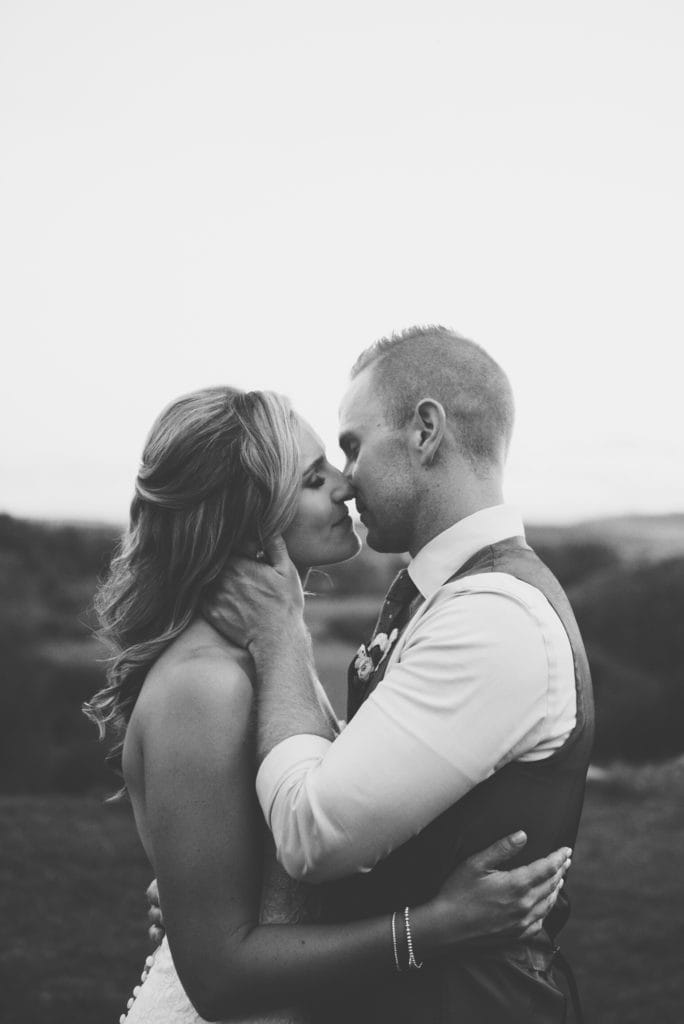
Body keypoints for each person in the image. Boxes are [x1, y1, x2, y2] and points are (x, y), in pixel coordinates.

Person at [84, 385, 571, 1024]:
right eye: (315, 478)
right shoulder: (205, 686)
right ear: (248, 518)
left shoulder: (263, 657)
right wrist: (438, 926)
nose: (345, 486)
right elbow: (219, 975)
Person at [201, 327, 594, 1023]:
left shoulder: (494, 617)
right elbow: (363, 775)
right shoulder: (451, 597)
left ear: (424, 431)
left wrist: (280, 632)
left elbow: (313, 830)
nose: (346, 481)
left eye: (352, 445)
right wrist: (226, 897)